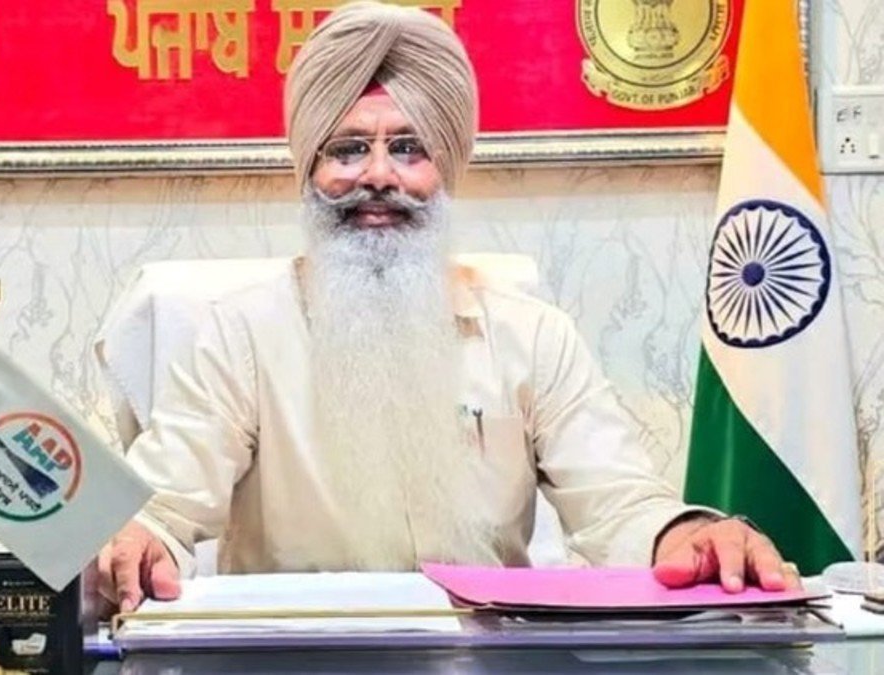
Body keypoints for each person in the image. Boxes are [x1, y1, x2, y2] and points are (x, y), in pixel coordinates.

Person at [97, 1, 799, 613]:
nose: (378, 174)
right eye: (347, 149)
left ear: (446, 172)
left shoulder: (532, 336)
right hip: (300, 653)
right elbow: (165, 503)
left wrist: (690, 535)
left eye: (409, 149)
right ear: (309, 170)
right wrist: (139, 538)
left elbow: (618, 501)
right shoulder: (240, 333)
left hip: (484, 652)